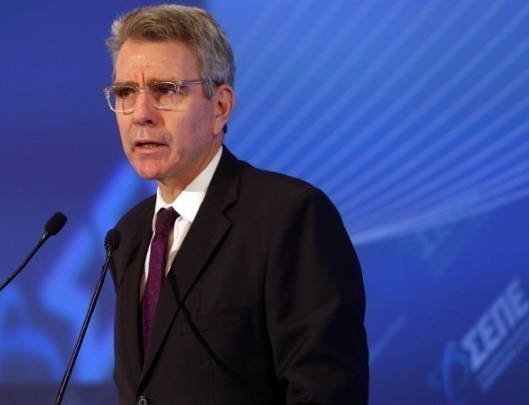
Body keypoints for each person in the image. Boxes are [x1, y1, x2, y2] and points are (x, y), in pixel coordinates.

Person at [104, 5, 368, 404]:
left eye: (165, 90)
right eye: (126, 92)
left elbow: (325, 392)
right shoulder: (128, 235)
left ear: (220, 107)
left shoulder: (288, 218)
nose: (141, 114)